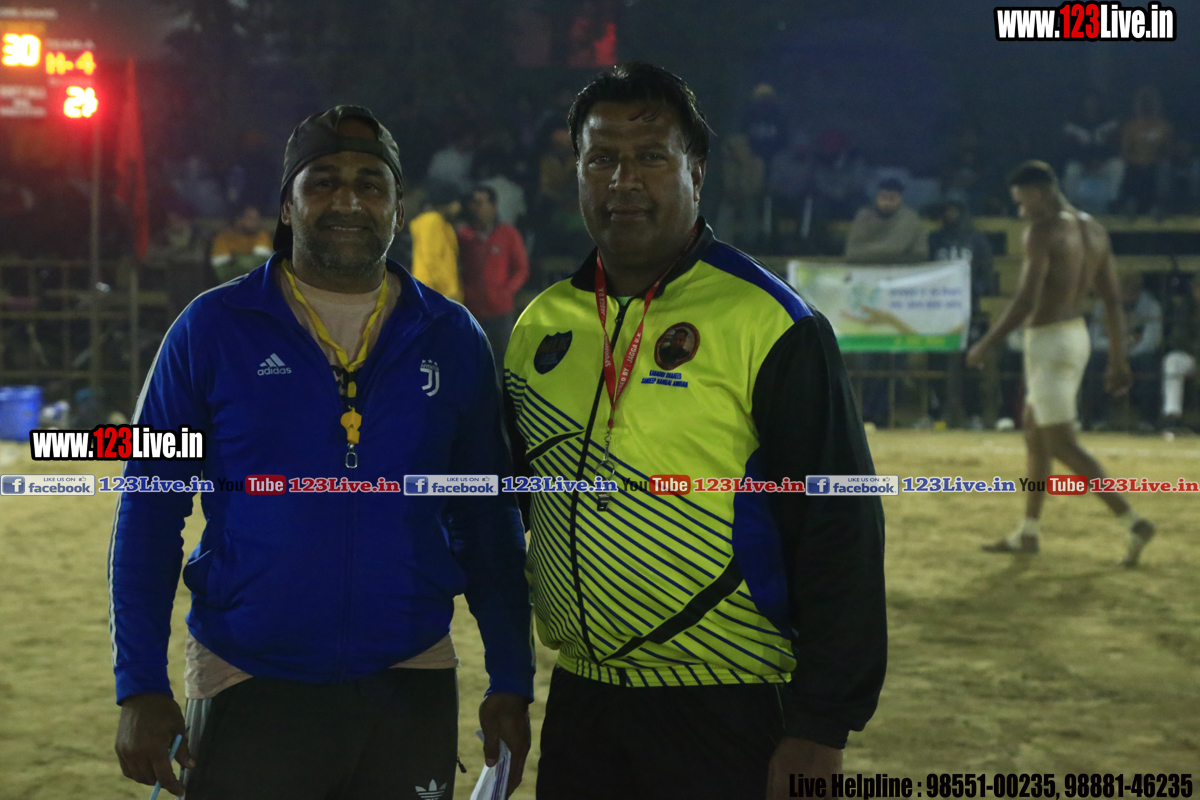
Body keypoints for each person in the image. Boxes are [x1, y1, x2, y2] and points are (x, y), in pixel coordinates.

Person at [110, 105, 533, 800]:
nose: (348, 201)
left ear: (398, 208)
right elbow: (148, 511)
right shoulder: (212, 328)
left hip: (411, 676)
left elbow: (487, 517)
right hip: (247, 673)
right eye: (324, 181)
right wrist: (139, 686)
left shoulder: (451, 337)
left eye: (371, 184)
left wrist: (511, 676)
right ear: (288, 204)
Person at [503, 63, 886, 800]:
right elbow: (513, 506)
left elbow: (841, 523)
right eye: (601, 159)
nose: (623, 180)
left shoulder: (771, 321)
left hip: (729, 703)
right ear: (576, 173)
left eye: (651, 156)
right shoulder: (540, 325)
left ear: (697, 172)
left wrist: (822, 724)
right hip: (582, 702)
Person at [966, 161, 1156, 567]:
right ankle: (1028, 532)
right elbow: (1111, 300)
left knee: (1060, 443)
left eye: (1022, 202)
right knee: (1035, 435)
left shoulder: (1044, 231)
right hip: (1075, 337)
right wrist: (1117, 358)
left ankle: (1133, 521)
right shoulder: (1095, 231)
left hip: (1049, 342)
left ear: (1040, 192)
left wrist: (986, 343)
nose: (1020, 212)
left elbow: (1025, 300)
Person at [458, 185, 530, 362]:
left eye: (480, 203)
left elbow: (521, 268)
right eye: (473, 203)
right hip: (472, 310)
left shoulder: (508, 234)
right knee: (473, 360)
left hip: (501, 311)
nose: (475, 208)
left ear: (493, 206)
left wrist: (507, 291)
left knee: (506, 360)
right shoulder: (464, 234)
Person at [1086, 272, 1162, 430]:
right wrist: (1121, 348)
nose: (1127, 294)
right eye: (1123, 289)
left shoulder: (1151, 306)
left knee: (1149, 362)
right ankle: (1098, 421)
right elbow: (1094, 339)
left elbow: (1151, 342)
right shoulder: (1103, 306)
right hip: (1110, 354)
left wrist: (1122, 352)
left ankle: (1147, 422)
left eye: (1131, 290)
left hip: (1137, 355)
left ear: (1139, 290)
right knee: (1094, 361)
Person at [844, 177, 928, 264]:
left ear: (901, 199)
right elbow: (851, 254)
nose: (887, 202)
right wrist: (895, 256)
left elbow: (920, 254)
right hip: (864, 269)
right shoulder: (864, 216)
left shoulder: (910, 218)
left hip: (903, 270)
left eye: (892, 198)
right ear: (877, 197)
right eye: (883, 197)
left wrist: (870, 254)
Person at [1120, 85, 1173, 215]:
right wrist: (1138, 160)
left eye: (1151, 100)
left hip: (1156, 164)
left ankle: (1159, 205)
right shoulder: (1131, 126)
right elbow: (1124, 151)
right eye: (1144, 100)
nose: (1147, 104)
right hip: (1134, 164)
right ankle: (1129, 203)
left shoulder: (1165, 126)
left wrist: (1151, 159)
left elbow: (1169, 151)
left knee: (1163, 168)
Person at [409, 183, 463, 301]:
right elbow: (432, 259)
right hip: (434, 291)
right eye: (455, 201)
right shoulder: (432, 221)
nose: (458, 206)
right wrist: (449, 290)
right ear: (445, 202)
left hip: (436, 292)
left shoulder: (442, 223)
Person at [209, 204, 273, 284]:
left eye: (257, 218)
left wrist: (236, 259)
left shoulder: (261, 235)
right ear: (238, 220)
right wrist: (248, 262)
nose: (256, 222)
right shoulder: (223, 238)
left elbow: (263, 263)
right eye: (251, 219)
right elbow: (223, 273)